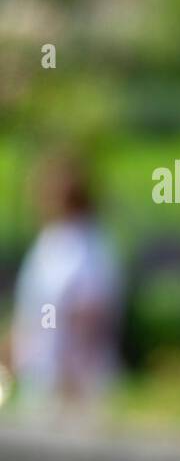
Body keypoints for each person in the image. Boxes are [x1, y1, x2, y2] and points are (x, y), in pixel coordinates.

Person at [10, 154, 121, 414]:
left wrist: (72, 373)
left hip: (75, 387)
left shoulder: (89, 247)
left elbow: (90, 315)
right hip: (41, 379)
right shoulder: (49, 240)